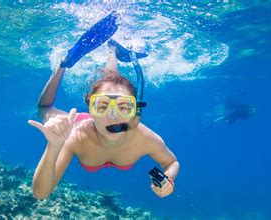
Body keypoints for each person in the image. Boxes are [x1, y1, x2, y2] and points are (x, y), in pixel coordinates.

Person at [27, 11, 179, 200]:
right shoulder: (75, 135)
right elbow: (41, 193)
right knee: (43, 109)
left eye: (124, 107)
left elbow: (172, 162)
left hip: (98, 122)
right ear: (90, 108)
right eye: (102, 106)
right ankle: (63, 64)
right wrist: (53, 147)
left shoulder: (145, 138)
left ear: (134, 111)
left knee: (111, 84)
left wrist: (169, 180)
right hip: (84, 123)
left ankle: (112, 49)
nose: (113, 115)